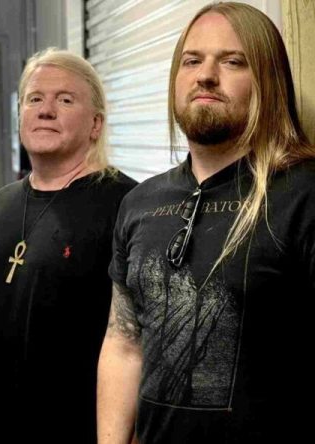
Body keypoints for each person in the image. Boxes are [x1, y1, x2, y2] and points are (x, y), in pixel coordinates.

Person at [98, 3, 315, 443]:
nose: (206, 76)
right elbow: (124, 342)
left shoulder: (303, 194)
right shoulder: (139, 203)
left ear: (269, 82)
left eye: (232, 61)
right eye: (191, 61)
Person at [0, 48, 136, 444]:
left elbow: (142, 341)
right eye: (34, 99)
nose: (45, 111)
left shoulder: (128, 207)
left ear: (96, 124)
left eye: (65, 100)